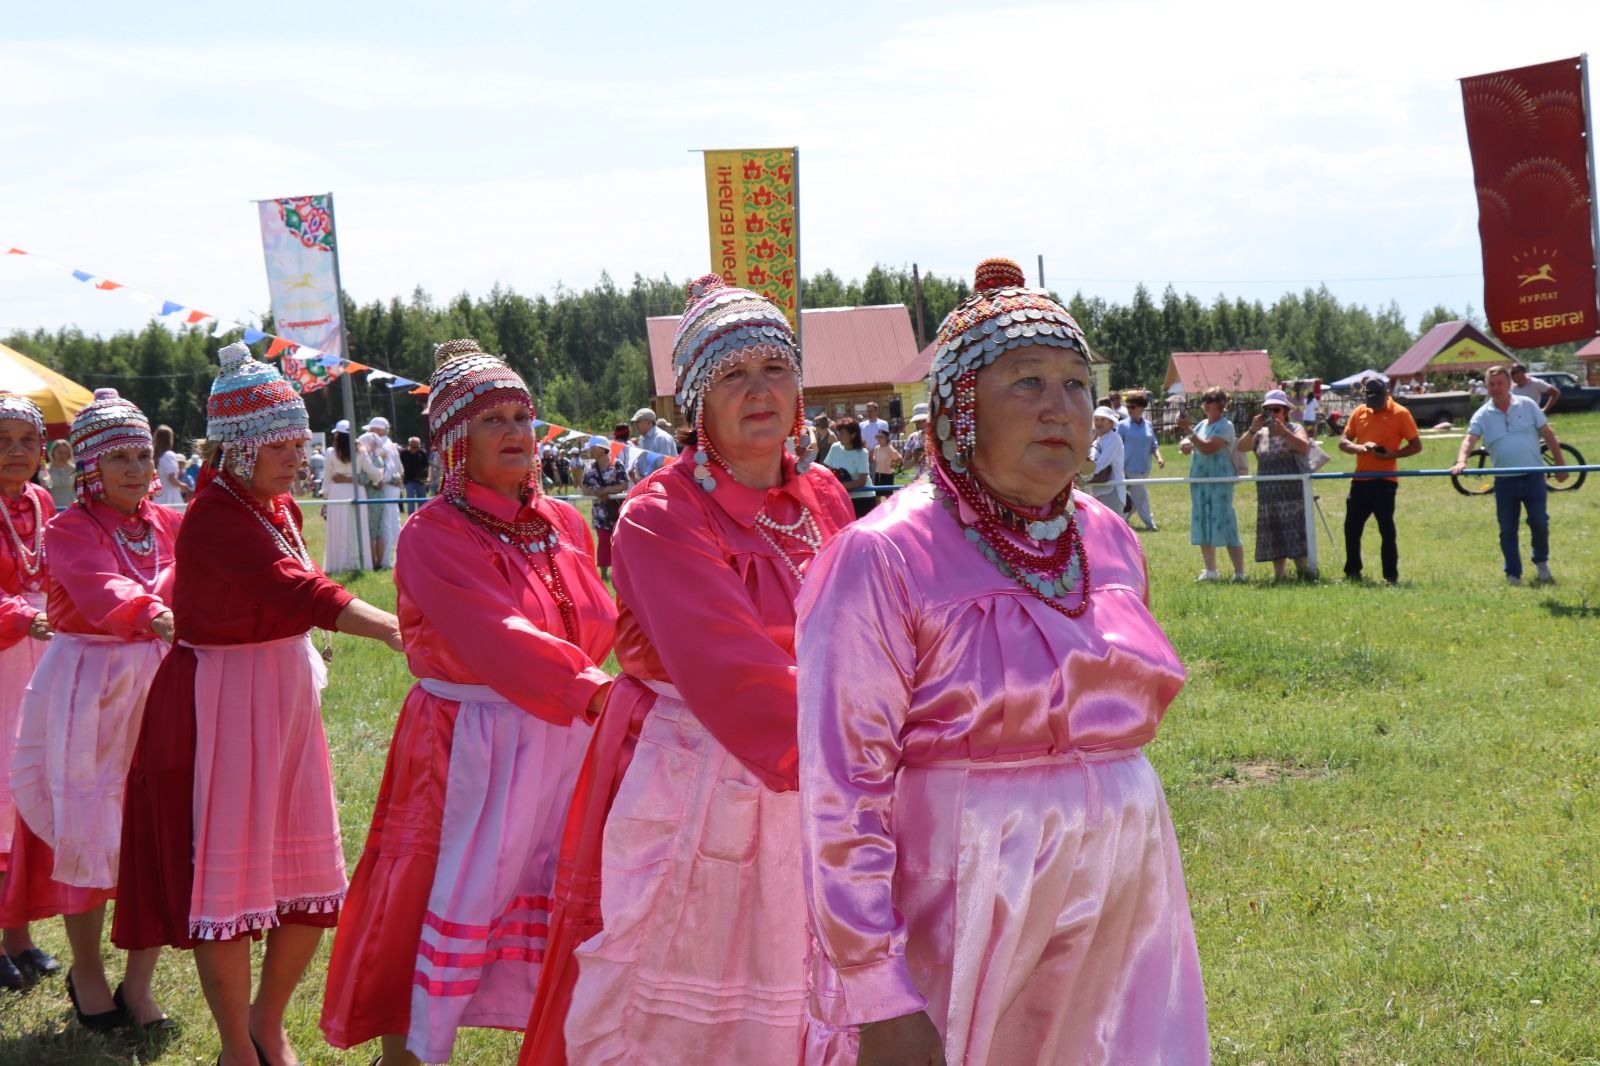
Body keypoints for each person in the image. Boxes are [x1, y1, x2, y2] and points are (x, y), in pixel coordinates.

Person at [796, 257, 1207, 1065]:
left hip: (1126, 874)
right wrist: (879, 994)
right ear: (961, 407)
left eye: (1077, 384)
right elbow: (841, 793)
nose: (1061, 406)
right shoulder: (881, 558)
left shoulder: (1107, 537)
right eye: (1026, 382)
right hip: (970, 887)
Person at [538, 275, 853, 1066]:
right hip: (703, 772)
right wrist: (869, 753)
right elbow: (733, 675)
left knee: (817, 977)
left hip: (827, 762)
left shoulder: (822, 495)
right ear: (695, 405)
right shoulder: (659, 514)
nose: (760, 391)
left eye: (774, 370)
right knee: (696, 994)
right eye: (733, 376)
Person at [323, 340, 618, 1066]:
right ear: (455, 441)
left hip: (564, 738)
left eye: (523, 415)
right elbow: (497, 635)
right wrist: (593, 693)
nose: (517, 431)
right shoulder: (434, 534)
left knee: (560, 898)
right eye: (494, 421)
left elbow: (602, 620)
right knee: (435, 898)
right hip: (466, 745)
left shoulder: (564, 526)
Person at [112, 342, 404, 1066]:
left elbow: (295, 593)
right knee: (233, 877)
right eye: (279, 443)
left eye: (299, 441)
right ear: (237, 447)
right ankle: (236, 1048)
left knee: (307, 876)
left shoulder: (272, 507)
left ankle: (265, 1025)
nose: (296, 457)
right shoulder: (217, 513)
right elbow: (298, 591)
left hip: (279, 692)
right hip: (226, 701)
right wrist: (396, 629)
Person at [0, 389, 180, 1031]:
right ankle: (88, 972)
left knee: (156, 831)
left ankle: (139, 982)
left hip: (158, 682)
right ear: (89, 468)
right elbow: (98, 585)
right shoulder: (71, 526)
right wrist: (155, 613)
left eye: (141, 454)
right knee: (86, 826)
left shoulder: (169, 521)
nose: (134, 469)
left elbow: (204, 574)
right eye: (117, 458)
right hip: (86, 683)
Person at [0, 395, 59, 991]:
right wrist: (20, 617)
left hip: (41, 658)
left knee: (27, 797)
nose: (16, 451)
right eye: (2, 440)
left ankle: (17, 935)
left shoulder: (43, 502)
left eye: (26, 440)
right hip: (4, 656)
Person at [1450, 365, 1568, 585]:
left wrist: (1559, 464)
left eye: (1500, 383)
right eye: (1492, 384)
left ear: (1509, 384)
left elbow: (1548, 434)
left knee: (1539, 521)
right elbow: (1469, 439)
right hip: (1504, 481)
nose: (1496, 388)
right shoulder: (1483, 414)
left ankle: (1541, 563)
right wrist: (1462, 460)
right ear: (1487, 387)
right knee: (1507, 528)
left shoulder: (1528, 405)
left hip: (1534, 476)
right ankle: (1513, 574)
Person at [1339, 378, 1420, 584]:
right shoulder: (1360, 412)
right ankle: (1352, 572)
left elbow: (1416, 445)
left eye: (1377, 401)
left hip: (1385, 481)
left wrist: (1391, 455)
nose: (1373, 406)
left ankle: (1390, 576)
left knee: (1386, 530)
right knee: (1351, 528)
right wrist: (1359, 447)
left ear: (1386, 393)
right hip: (1360, 479)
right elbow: (1343, 441)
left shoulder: (1401, 413)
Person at [1238, 389, 1313, 580]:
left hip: (1292, 494)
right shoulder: (1260, 433)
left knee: (1294, 531)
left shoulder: (1295, 428)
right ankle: (1279, 575)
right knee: (1273, 533)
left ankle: (1304, 573)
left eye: (1276, 409)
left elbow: (1304, 447)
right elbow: (1241, 447)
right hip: (1268, 494)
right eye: (1267, 410)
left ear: (1285, 411)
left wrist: (1284, 433)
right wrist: (1253, 428)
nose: (1272, 414)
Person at [1177, 387, 1246, 582]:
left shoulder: (1226, 426)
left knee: (1225, 522)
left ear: (1221, 404)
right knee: (1203, 522)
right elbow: (1195, 443)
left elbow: (1208, 447)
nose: (1206, 403)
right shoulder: (1201, 425)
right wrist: (1185, 443)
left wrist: (1188, 431)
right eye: (1204, 399)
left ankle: (1239, 573)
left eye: (1211, 399)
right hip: (1200, 481)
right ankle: (1210, 571)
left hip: (1219, 481)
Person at [321, 420, 371, 574]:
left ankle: (338, 564)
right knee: (358, 526)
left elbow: (327, 479)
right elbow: (373, 473)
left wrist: (325, 499)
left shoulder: (330, 452)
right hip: (357, 491)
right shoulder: (360, 451)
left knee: (339, 526)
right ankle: (358, 562)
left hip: (337, 492)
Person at [580, 437, 629, 582]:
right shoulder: (589, 467)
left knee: (618, 540)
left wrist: (608, 489)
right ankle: (604, 572)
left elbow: (624, 485)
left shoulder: (617, 464)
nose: (590, 450)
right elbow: (584, 489)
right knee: (603, 539)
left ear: (602, 448)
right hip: (599, 511)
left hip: (616, 510)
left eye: (593, 447)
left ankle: (620, 569)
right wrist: (598, 493)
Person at [1117, 390, 1163, 530]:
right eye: (1128, 406)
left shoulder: (1148, 425)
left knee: (1137, 498)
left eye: (1133, 406)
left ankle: (1121, 521)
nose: (1129, 409)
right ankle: (1150, 523)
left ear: (1141, 408)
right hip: (1129, 467)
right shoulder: (1122, 426)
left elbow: (1153, 444)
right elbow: (1116, 446)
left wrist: (1159, 458)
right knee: (1141, 495)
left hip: (1145, 467)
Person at [365, 416, 405, 564]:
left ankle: (385, 560)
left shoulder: (381, 444)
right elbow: (399, 467)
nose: (369, 432)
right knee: (394, 522)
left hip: (386, 486)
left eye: (371, 429)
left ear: (377, 430)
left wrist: (379, 480)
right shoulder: (389, 443)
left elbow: (385, 469)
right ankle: (397, 557)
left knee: (386, 523)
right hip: (393, 486)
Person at [823, 418, 874, 519]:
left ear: (853, 435)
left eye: (842, 433)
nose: (839, 436)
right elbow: (826, 470)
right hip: (842, 498)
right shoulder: (835, 448)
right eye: (839, 432)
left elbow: (861, 482)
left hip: (863, 499)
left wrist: (839, 486)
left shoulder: (862, 453)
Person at [1085, 405, 1126, 513]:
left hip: (1112, 491)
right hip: (1097, 490)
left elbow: (1100, 465)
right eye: (1096, 419)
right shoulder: (1096, 441)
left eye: (1103, 419)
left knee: (1113, 529)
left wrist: (1083, 471)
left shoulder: (1113, 438)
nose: (1099, 423)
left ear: (1111, 423)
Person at [152, 425, 188, 508]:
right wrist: (184, 486)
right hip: (171, 497)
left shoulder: (155, 457)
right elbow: (171, 479)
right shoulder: (168, 455)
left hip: (158, 497)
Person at [399, 436, 429, 513]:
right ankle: (411, 519)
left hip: (420, 481)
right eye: (414, 447)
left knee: (422, 502)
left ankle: (422, 518)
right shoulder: (403, 453)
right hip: (408, 481)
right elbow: (400, 467)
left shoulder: (422, 453)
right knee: (410, 502)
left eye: (417, 446)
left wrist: (426, 479)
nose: (416, 449)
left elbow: (426, 467)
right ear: (409, 445)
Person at [45, 439, 76, 511]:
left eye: (65, 453)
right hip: (52, 507)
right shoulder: (46, 469)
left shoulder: (74, 469)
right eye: (60, 452)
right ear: (53, 452)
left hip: (71, 507)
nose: (62, 455)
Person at [869, 429, 901, 496]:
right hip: (878, 474)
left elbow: (899, 458)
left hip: (887, 474)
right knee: (877, 495)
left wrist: (893, 465)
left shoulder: (889, 448)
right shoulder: (876, 448)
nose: (879, 439)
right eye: (878, 437)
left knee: (888, 495)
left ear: (886, 438)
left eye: (881, 437)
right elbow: (874, 459)